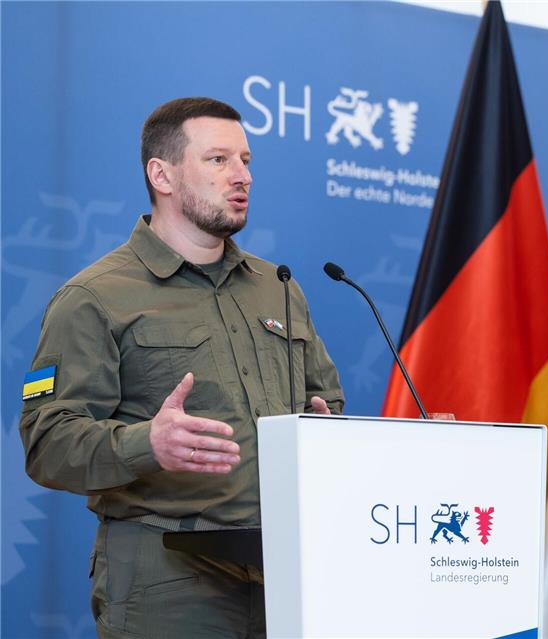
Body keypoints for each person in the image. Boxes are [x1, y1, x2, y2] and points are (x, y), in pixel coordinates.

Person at [19, 97, 344, 638]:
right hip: (167, 578)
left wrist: (320, 428)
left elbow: (325, 401)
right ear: (161, 175)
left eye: (246, 160)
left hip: (285, 574)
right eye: (218, 160)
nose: (242, 176)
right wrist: (149, 443)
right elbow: (47, 443)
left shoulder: (276, 286)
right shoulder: (94, 296)